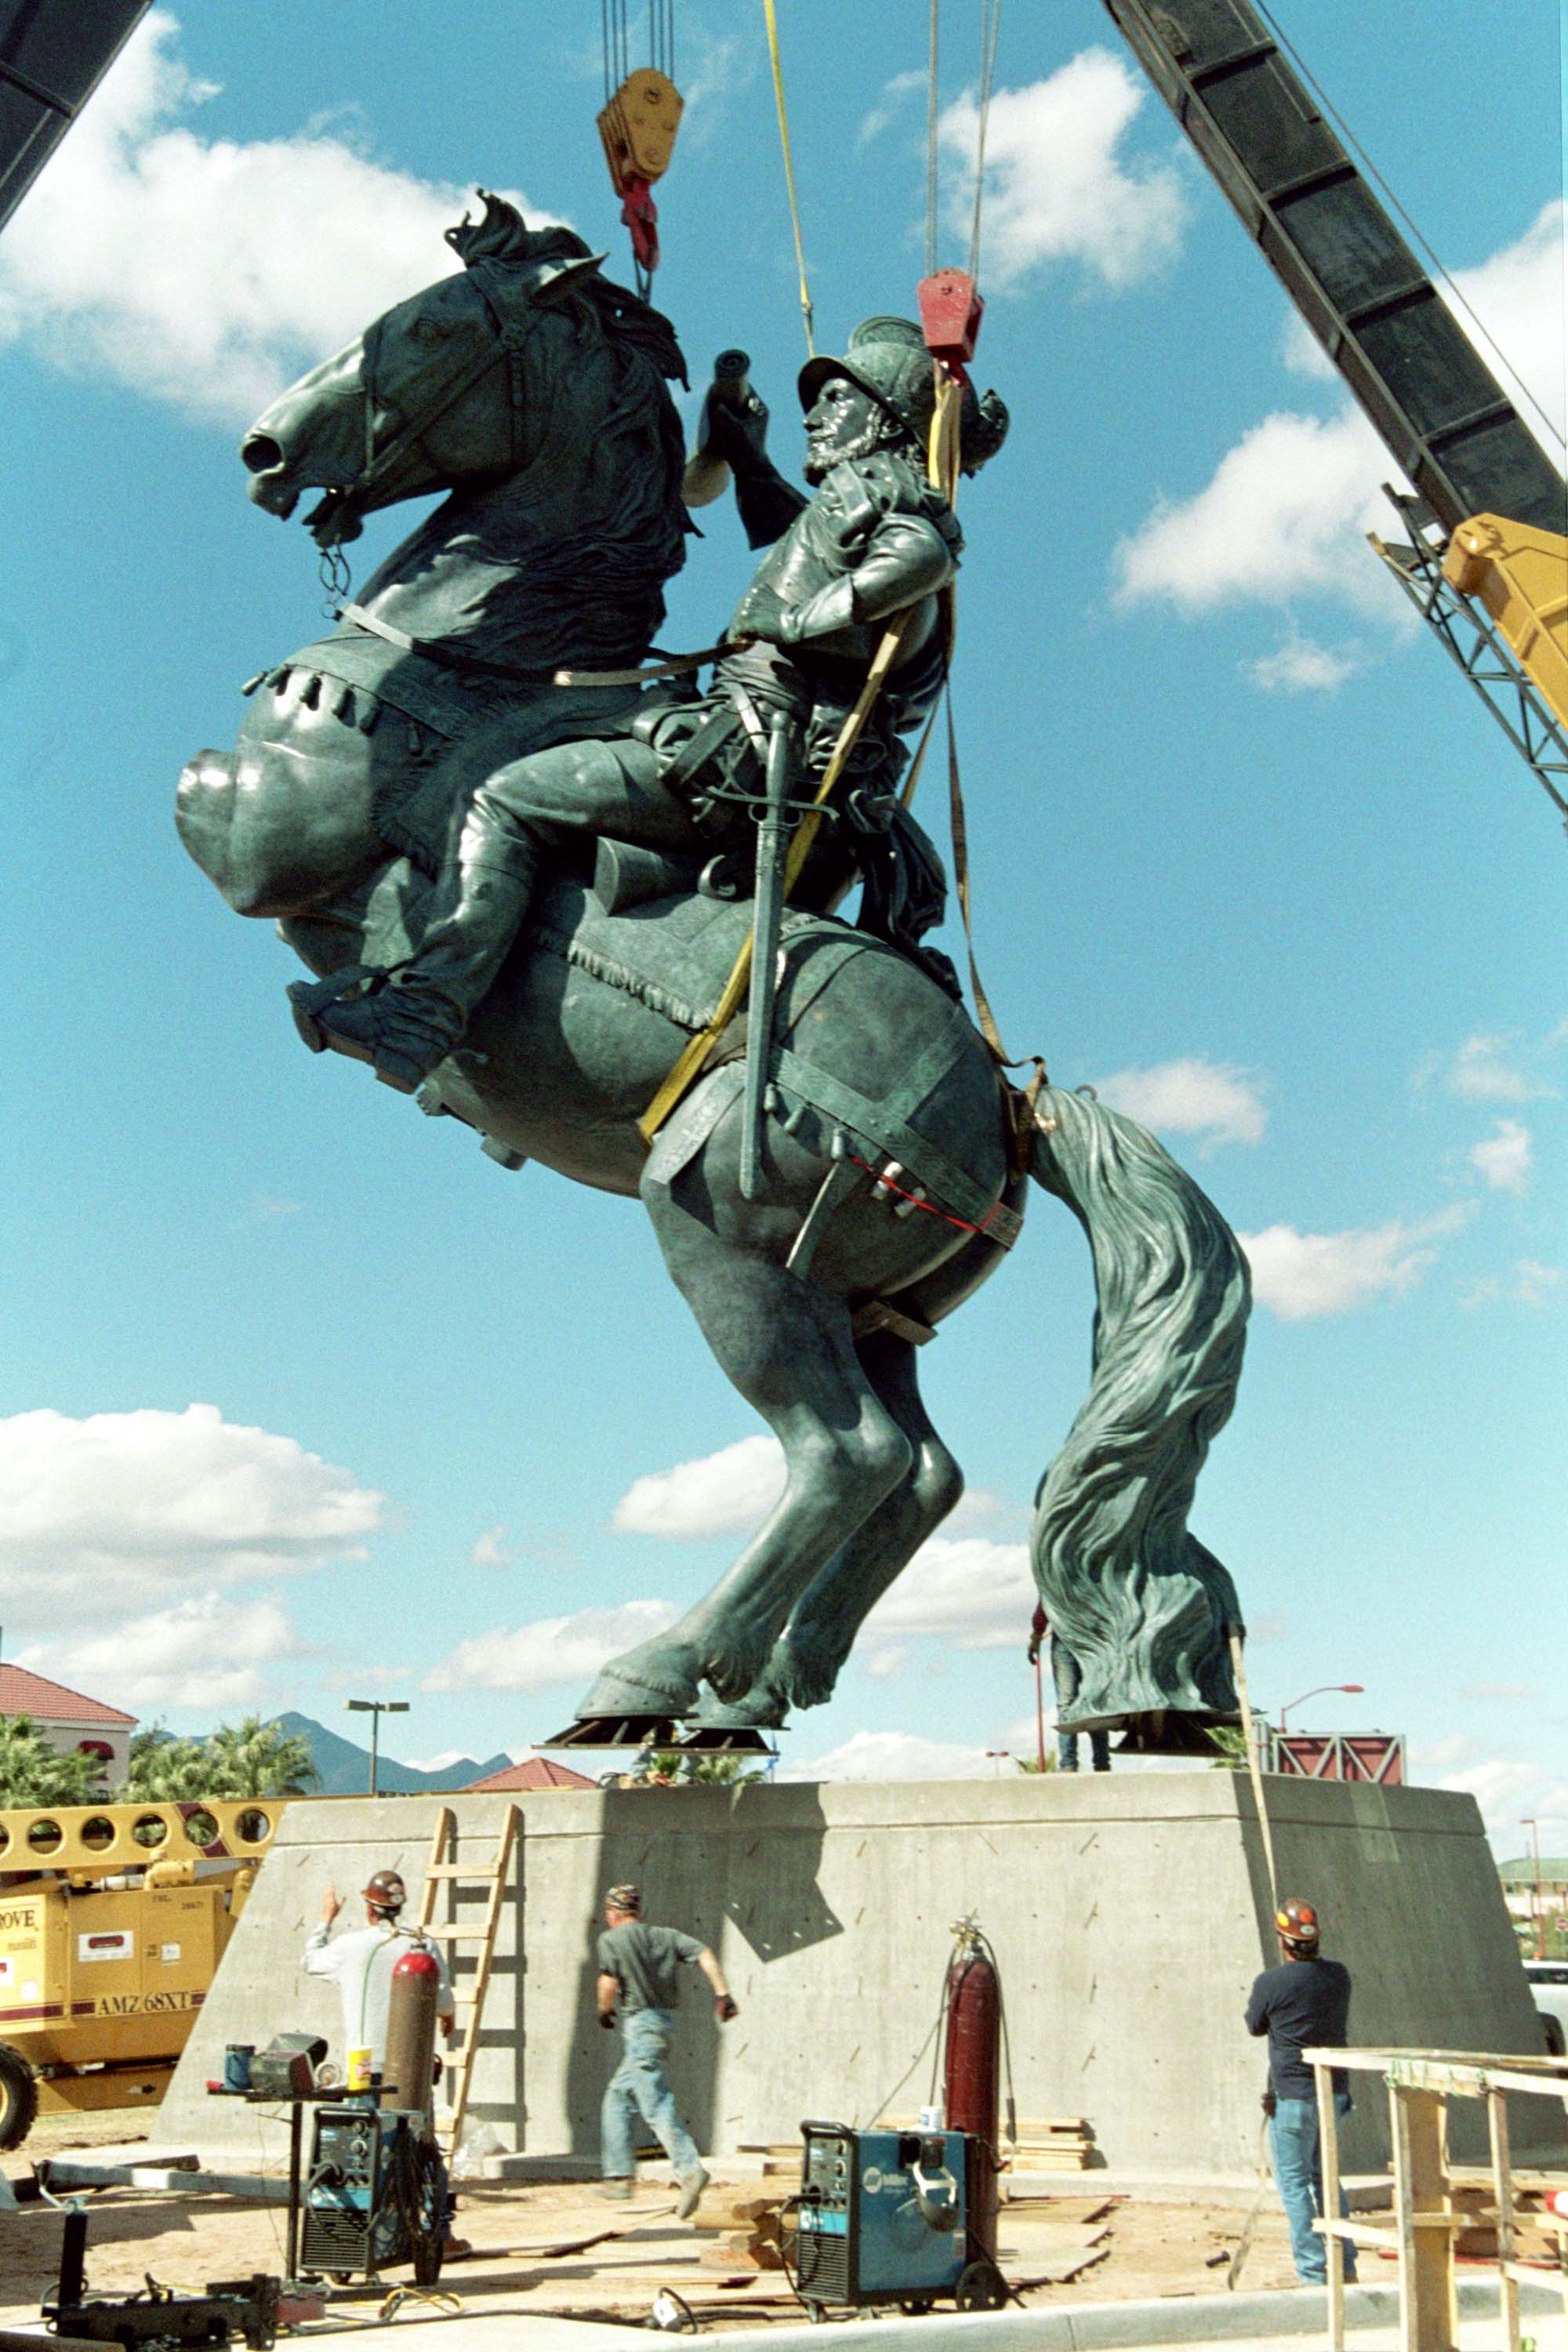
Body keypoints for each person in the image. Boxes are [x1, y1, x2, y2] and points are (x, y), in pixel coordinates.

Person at [292, 316, 1007, 1091]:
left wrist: (799, 621)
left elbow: (919, 553)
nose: (814, 415)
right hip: (756, 747)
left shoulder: (881, 488)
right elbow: (811, 536)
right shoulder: (850, 497)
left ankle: (420, 1017)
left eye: (837, 399)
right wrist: (745, 455)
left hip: (753, 758)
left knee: (506, 797)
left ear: (885, 418)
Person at [595, 1881, 738, 2220]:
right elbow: (705, 1954)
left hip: (640, 2027)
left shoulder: (612, 1939)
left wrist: (604, 2011)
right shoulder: (665, 1936)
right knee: (618, 2095)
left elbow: (608, 1982)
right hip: (664, 2025)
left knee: (655, 2103)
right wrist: (723, 1994)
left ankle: (690, 2170)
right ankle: (619, 2177)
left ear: (613, 1913)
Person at [1244, 1898, 1358, 2286]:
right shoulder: (1338, 1976)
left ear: (1283, 1940)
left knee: (1293, 2184)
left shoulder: (1271, 1982)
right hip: (1334, 2091)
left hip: (1293, 2095)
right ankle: (1345, 2265)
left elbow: (1255, 2025)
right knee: (1326, 2177)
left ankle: (1312, 2273)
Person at [302, 1867, 456, 2082]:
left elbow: (310, 1961)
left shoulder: (349, 1946)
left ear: (370, 1910)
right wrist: (448, 2015)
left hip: (363, 2066)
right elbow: (444, 2002)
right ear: (399, 1907)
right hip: (411, 2066)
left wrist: (327, 1919)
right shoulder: (423, 1944)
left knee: (364, 2105)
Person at [1028, 1602, 1110, 1772]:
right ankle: (1069, 1763)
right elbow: (1047, 1601)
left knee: (1095, 1702)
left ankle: (1101, 1762)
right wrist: (1036, 1635)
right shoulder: (1057, 1583)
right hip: (1066, 1641)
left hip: (1093, 1640)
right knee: (1068, 1703)